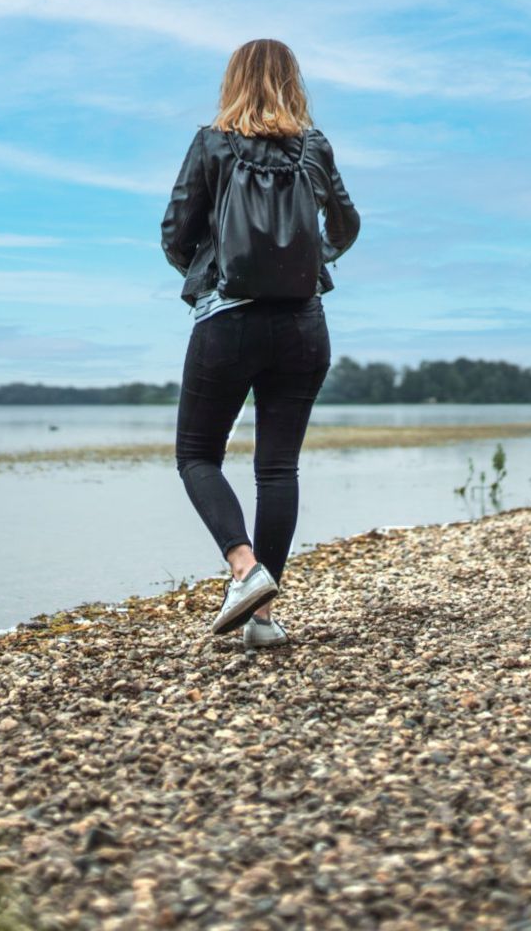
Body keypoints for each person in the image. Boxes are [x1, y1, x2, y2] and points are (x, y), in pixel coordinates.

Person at [160, 38, 361, 648]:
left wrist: (214, 274)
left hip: (228, 322)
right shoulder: (314, 147)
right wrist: (309, 261)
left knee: (196, 454)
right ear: (294, 82)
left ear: (233, 82)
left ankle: (244, 570)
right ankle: (264, 622)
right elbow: (346, 225)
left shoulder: (212, 143)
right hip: (304, 325)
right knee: (278, 467)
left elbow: (174, 233)